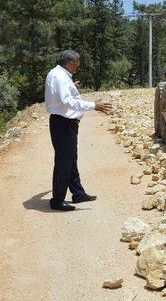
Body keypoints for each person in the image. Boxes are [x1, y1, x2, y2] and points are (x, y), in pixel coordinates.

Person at [44, 50, 112, 211]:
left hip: (64, 123)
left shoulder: (58, 75)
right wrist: (94, 105)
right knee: (63, 162)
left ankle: (78, 193)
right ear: (71, 62)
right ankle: (57, 200)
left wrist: (71, 87)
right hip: (64, 124)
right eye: (78, 62)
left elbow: (62, 95)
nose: (78, 66)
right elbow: (67, 101)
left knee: (70, 159)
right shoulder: (60, 77)